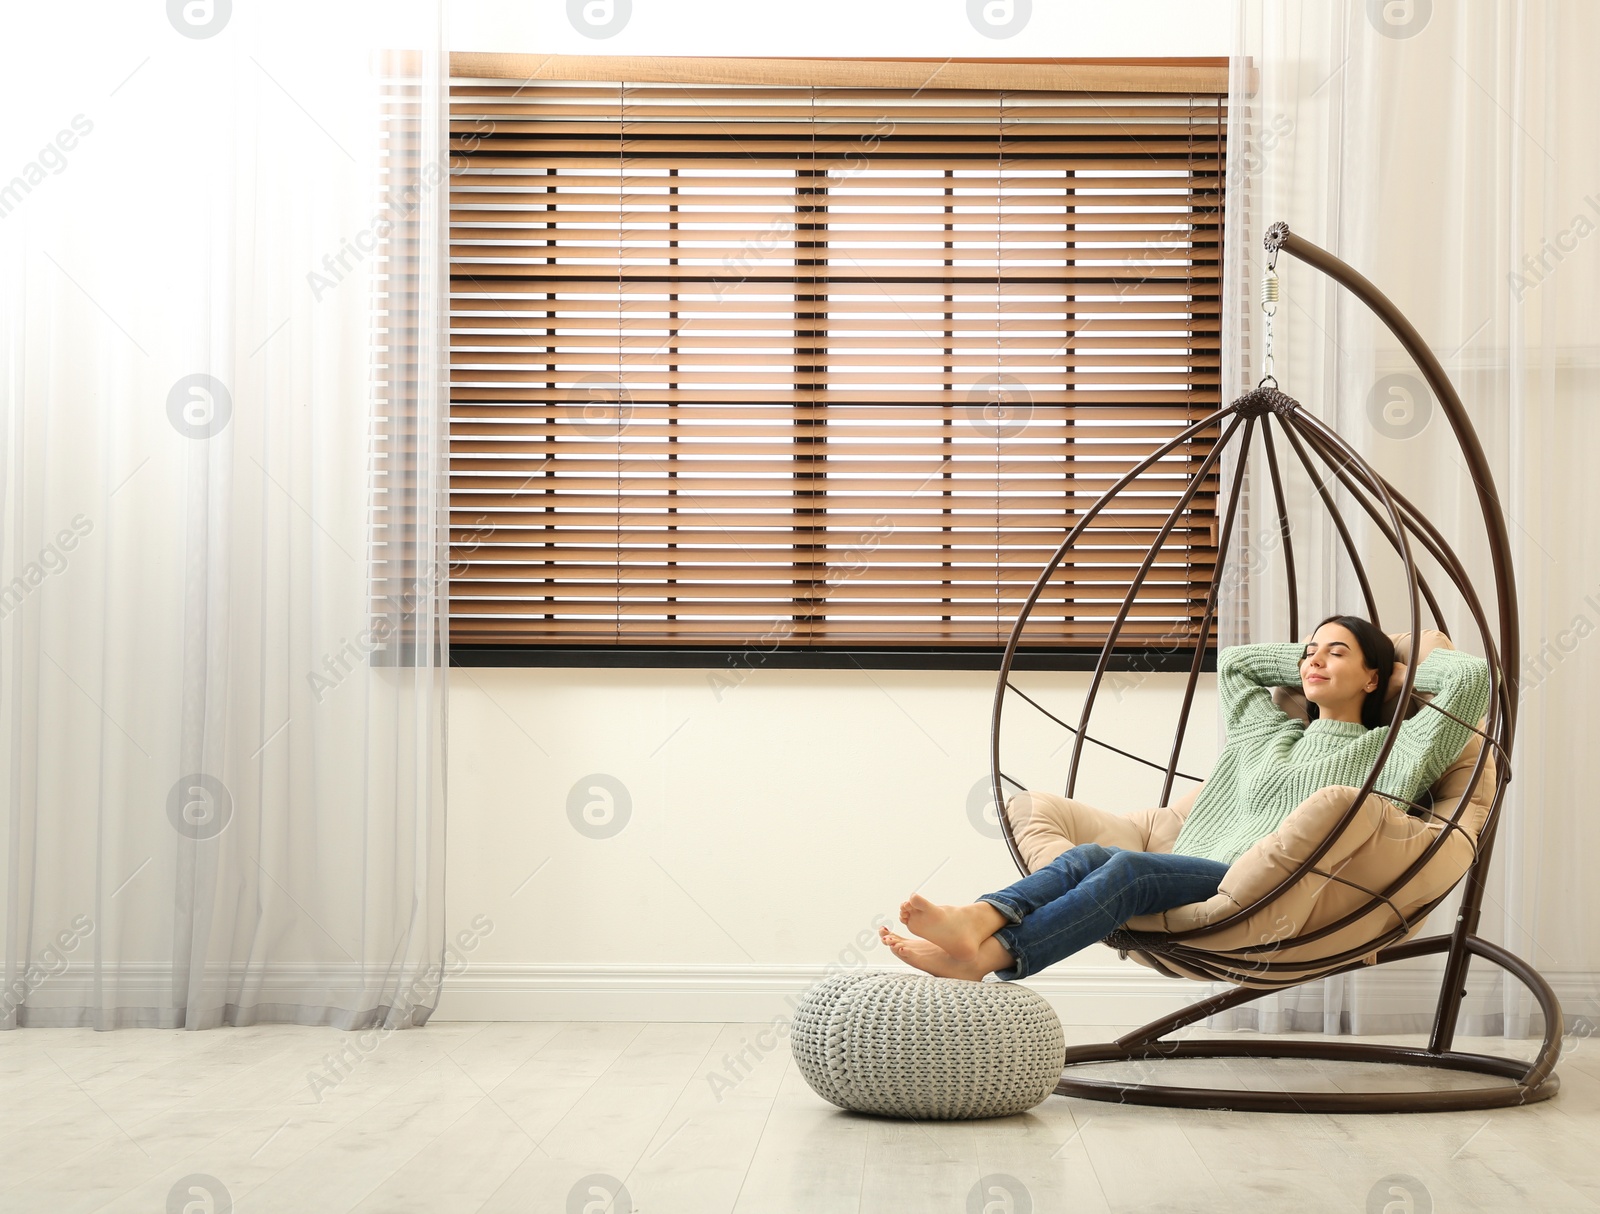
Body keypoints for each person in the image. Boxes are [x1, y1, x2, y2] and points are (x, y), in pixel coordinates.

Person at [879, 614, 1492, 982]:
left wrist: (1391, 656)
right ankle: (982, 921)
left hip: (1258, 885)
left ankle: (994, 955)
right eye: (1308, 652)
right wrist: (1324, 652)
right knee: (1093, 857)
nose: (1313, 661)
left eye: (1337, 654)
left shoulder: (1392, 750)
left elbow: (1467, 679)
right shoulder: (1268, 730)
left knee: (1128, 868)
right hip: (1192, 866)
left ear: (1375, 678)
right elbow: (1237, 663)